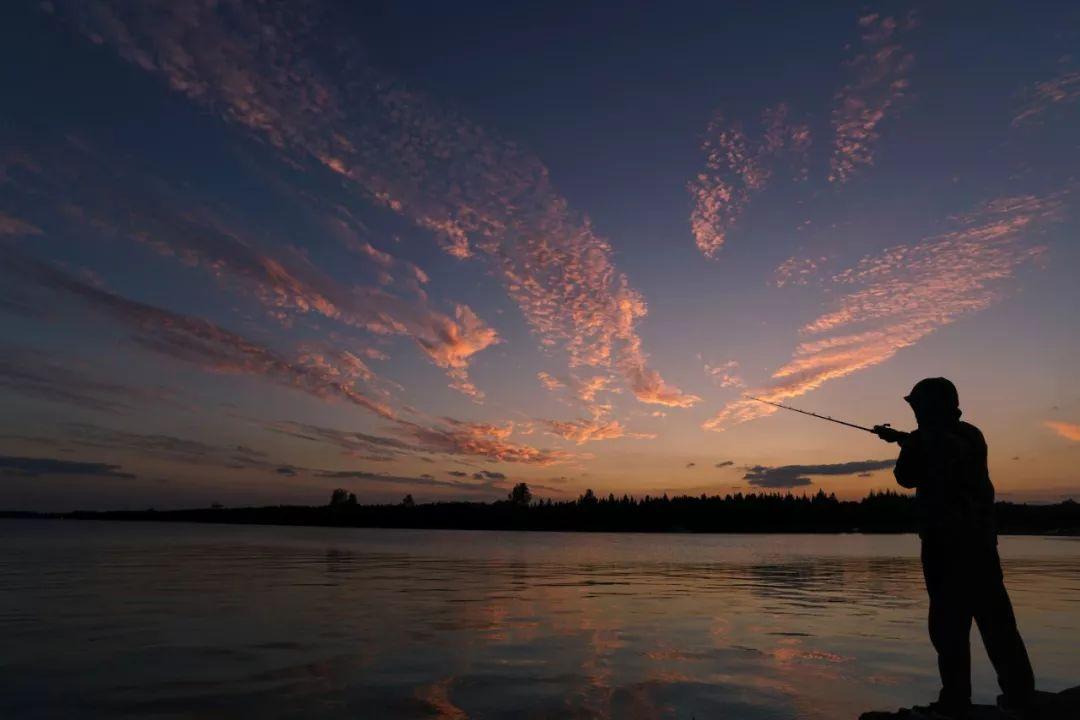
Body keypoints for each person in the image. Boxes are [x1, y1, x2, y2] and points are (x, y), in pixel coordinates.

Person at [874, 378, 1036, 719]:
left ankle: (955, 702)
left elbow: (906, 476)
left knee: (948, 627)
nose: (915, 412)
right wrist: (905, 439)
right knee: (998, 624)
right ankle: (1021, 697)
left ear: (930, 406)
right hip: (980, 545)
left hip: (946, 548)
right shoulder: (970, 435)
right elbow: (936, 446)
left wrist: (907, 442)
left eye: (918, 406)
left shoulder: (930, 440)